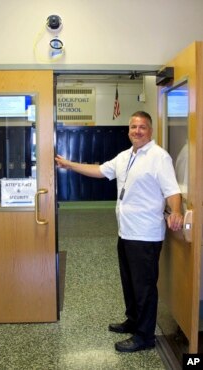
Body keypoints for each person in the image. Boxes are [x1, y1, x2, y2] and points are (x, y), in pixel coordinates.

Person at [55, 111, 183, 353]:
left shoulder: (159, 157)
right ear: (128, 130)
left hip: (145, 234)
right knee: (129, 282)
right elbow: (101, 171)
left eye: (142, 127)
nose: (137, 131)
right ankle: (133, 321)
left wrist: (175, 212)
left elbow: (172, 190)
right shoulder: (125, 156)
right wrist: (68, 165)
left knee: (144, 287)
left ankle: (145, 336)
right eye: (133, 127)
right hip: (126, 232)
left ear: (150, 130)